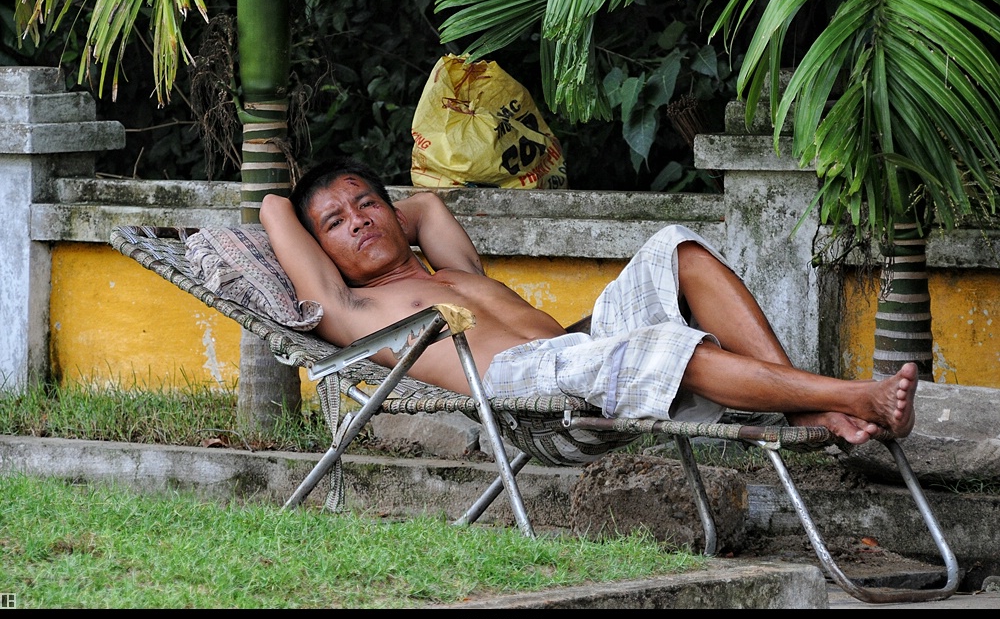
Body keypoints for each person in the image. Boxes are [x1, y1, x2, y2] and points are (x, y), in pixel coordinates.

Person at [259, 158, 916, 446]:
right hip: (524, 388)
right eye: (337, 221)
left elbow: (428, 205)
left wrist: (384, 217)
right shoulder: (356, 309)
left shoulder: (446, 270)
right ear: (320, 251)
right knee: (659, 350)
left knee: (676, 246)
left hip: (582, 345)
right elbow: (272, 208)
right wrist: (328, 212)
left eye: (367, 202)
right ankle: (847, 395)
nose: (360, 220)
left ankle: (798, 411)